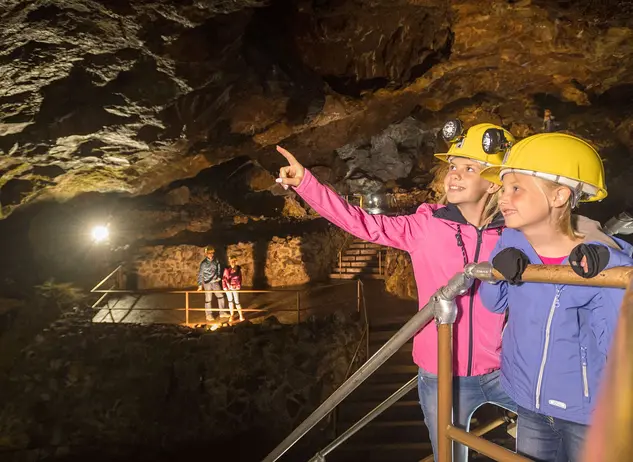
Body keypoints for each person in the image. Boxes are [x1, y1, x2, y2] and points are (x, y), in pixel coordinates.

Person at [275, 122, 517, 462]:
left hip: (500, 369)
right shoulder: (426, 226)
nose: (454, 175)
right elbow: (360, 222)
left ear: (493, 183)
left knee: (557, 423)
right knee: (450, 458)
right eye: (452, 167)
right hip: (439, 370)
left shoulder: (512, 234)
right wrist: (306, 184)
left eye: (469, 168)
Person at [478, 132, 633, 462]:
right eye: (504, 188)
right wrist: (495, 271)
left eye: (516, 187)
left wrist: (612, 264)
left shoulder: (603, 263)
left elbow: (617, 344)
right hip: (528, 401)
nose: (503, 197)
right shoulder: (510, 244)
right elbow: (494, 303)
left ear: (559, 195)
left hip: (584, 411)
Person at [197, 246, 227, 322]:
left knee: (220, 296)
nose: (210, 254)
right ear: (206, 254)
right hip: (207, 283)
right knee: (208, 299)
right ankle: (208, 315)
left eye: (211, 253)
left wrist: (219, 277)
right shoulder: (203, 263)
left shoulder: (216, 261)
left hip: (215, 281)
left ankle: (222, 312)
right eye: (209, 253)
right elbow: (200, 274)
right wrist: (200, 285)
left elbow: (219, 269)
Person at [222, 256, 244, 322]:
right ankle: (232, 315)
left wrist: (238, 286)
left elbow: (240, 279)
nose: (233, 262)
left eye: (234, 261)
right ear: (230, 262)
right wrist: (225, 287)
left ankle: (241, 315)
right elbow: (224, 279)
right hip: (228, 288)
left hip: (235, 287)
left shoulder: (238, 269)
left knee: (237, 301)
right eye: (232, 261)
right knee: (230, 301)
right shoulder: (227, 269)